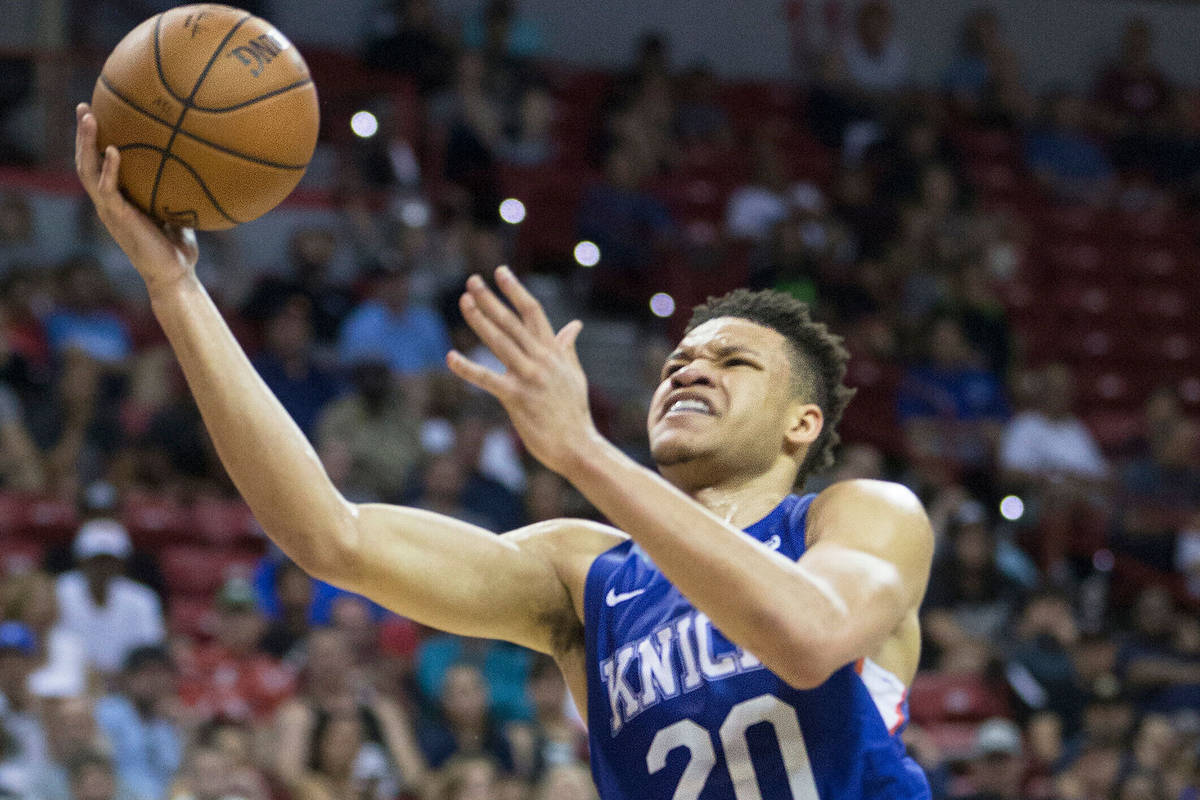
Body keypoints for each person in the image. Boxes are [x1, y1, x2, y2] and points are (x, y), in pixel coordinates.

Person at [76, 101, 935, 799]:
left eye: (733, 360)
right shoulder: (586, 573)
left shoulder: (860, 517)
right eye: (677, 360)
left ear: (803, 424)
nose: (689, 370)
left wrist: (584, 454)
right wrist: (175, 287)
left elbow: (809, 636)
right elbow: (326, 536)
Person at [55, 518, 165, 675]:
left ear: (122, 564)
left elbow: (148, 653)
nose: (102, 568)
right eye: (96, 561)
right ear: (81, 561)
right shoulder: (60, 591)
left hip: (125, 684)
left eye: (109, 561)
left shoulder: (142, 599)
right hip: (72, 680)